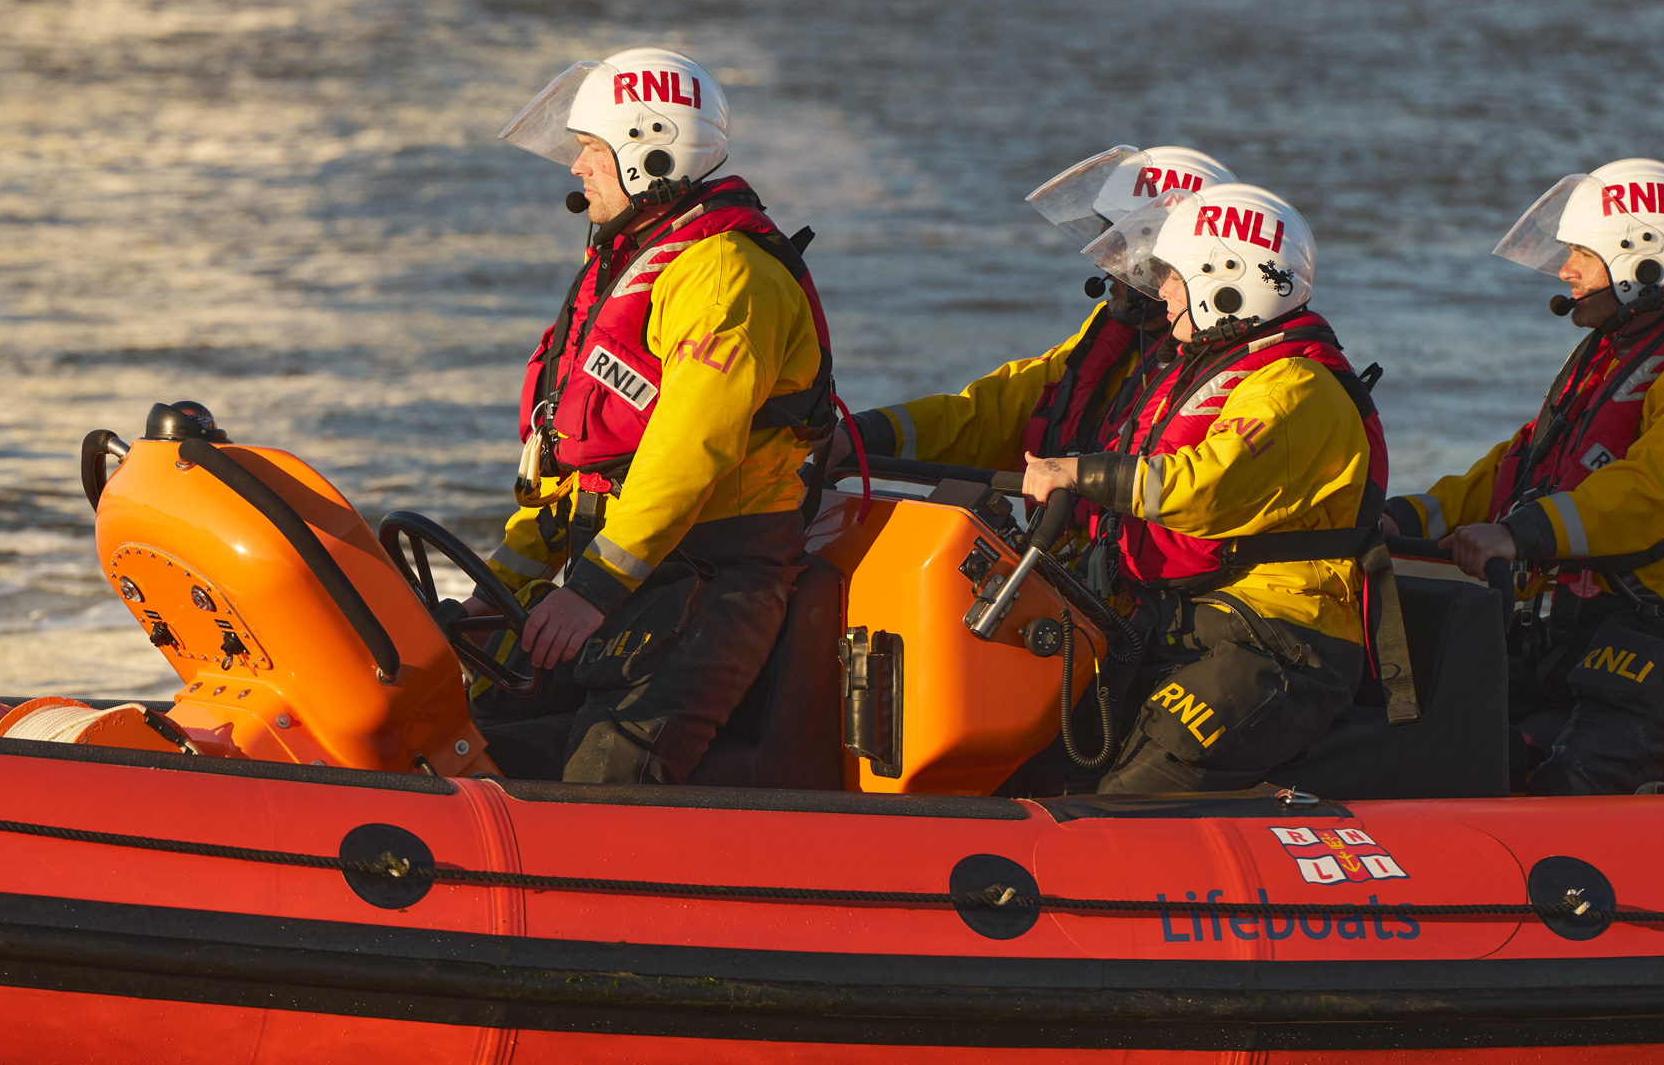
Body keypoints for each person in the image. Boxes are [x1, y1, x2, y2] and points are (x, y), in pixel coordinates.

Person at [1383, 159, 1664, 795]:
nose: (1566, 271)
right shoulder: (1619, 353)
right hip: (1597, 622)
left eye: (1582, 253)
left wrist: (1520, 536)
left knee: (1567, 779)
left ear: (1643, 262)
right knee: (1439, 726)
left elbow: (1656, 492)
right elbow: (1524, 464)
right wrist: (1404, 517)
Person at [471, 48, 836, 784]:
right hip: (628, 572)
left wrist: (593, 590)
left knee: (608, 781)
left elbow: (688, 448)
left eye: (590, 153)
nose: (577, 171)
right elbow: (577, 473)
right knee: (473, 725)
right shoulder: (639, 265)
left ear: (652, 154)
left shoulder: (726, 276)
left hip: (713, 583)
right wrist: (492, 595)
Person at [1020, 184, 1400, 794]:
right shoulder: (1227, 369)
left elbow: (1203, 488)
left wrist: (1077, 471)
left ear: (1229, 280)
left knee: (1135, 790)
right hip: (1198, 619)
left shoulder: (1292, 386)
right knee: (1056, 760)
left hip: (1283, 639)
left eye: (1173, 276)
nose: (1163, 291)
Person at [840, 146, 1234, 482]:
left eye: (1121, 246)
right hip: (1077, 560)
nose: (1107, 265)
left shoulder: (1235, 371)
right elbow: (991, 417)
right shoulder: (1109, 341)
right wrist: (863, 434)